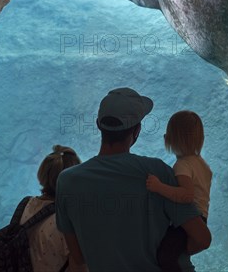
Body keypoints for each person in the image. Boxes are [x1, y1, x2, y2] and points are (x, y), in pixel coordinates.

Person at [55, 88, 211, 272]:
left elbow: (79, 256)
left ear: (98, 124)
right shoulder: (157, 172)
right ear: (137, 130)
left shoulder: (67, 181)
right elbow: (202, 239)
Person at [146, 110, 213, 272]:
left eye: (168, 134)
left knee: (165, 257)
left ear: (171, 139)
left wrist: (158, 187)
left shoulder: (182, 165)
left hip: (188, 221)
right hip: (200, 218)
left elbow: (186, 195)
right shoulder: (201, 164)